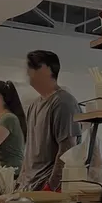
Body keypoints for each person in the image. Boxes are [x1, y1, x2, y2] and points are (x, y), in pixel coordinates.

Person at [17, 51, 81, 192]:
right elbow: (30, 151)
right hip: (31, 187)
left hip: (50, 188)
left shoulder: (64, 102)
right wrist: (19, 182)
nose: (27, 72)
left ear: (46, 69)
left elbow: (67, 149)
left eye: (31, 67)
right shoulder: (34, 105)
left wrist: (51, 186)